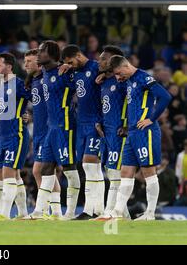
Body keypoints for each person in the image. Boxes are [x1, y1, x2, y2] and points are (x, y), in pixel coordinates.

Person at [100, 55, 172, 221]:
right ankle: (117, 212)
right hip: (132, 132)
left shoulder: (143, 77)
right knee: (126, 172)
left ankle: (150, 213)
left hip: (145, 131)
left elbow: (165, 96)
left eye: (119, 73)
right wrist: (104, 76)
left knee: (148, 172)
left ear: (126, 66)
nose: (118, 78)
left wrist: (151, 119)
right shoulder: (129, 80)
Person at [33, 41, 80, 220]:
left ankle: (70, 212)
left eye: (41, 51)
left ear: (51, 54)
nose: (38, 54)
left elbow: (83, 79)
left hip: (64, 125)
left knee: (68, 168)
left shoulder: (66, 72)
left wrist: (71, 67)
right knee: (46, 169)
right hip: (50, 128)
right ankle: (40, 211)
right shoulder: (44, 72)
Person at [61, 44, 105, 220]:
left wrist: (105, 74)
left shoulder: (96, 67)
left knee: (90, 164)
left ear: (79, 55)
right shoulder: (73, 72)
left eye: (71, 61)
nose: (70, 65)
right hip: (81, 123)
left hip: (95, 122)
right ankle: (97, 210)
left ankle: (92, 209)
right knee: (87, 166)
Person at [23, 49, 62, 220]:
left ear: (39, 63)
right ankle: (55, 213)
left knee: (40, 171)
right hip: (39, 131)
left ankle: (45, 210)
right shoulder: (34, 81)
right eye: (25, 62)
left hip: (50, 131)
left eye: (29, 62)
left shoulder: (48, 78)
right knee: (44, 173)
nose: (26, 65)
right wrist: (28, 115)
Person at [0, 53, 31, 220]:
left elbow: (38, 100)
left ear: (9, 66)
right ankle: (23, 214)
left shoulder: (19, 84)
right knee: (14, 175)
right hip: (3, 136)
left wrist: (28, 115)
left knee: (8, 172)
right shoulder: (0, 86)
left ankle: (4, 214)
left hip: (17, 135)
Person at [95, 46, 130, 218]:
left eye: (103, 59)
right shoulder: (104, 82)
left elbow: (134, 103)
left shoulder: (123, 82)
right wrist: (99, 123)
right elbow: (105, 106)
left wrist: (128, 125)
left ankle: (109, 211)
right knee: (111, 171)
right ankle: (124, 216)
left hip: (119, 132)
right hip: (106, 132)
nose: (99, 62)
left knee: (116, 172)